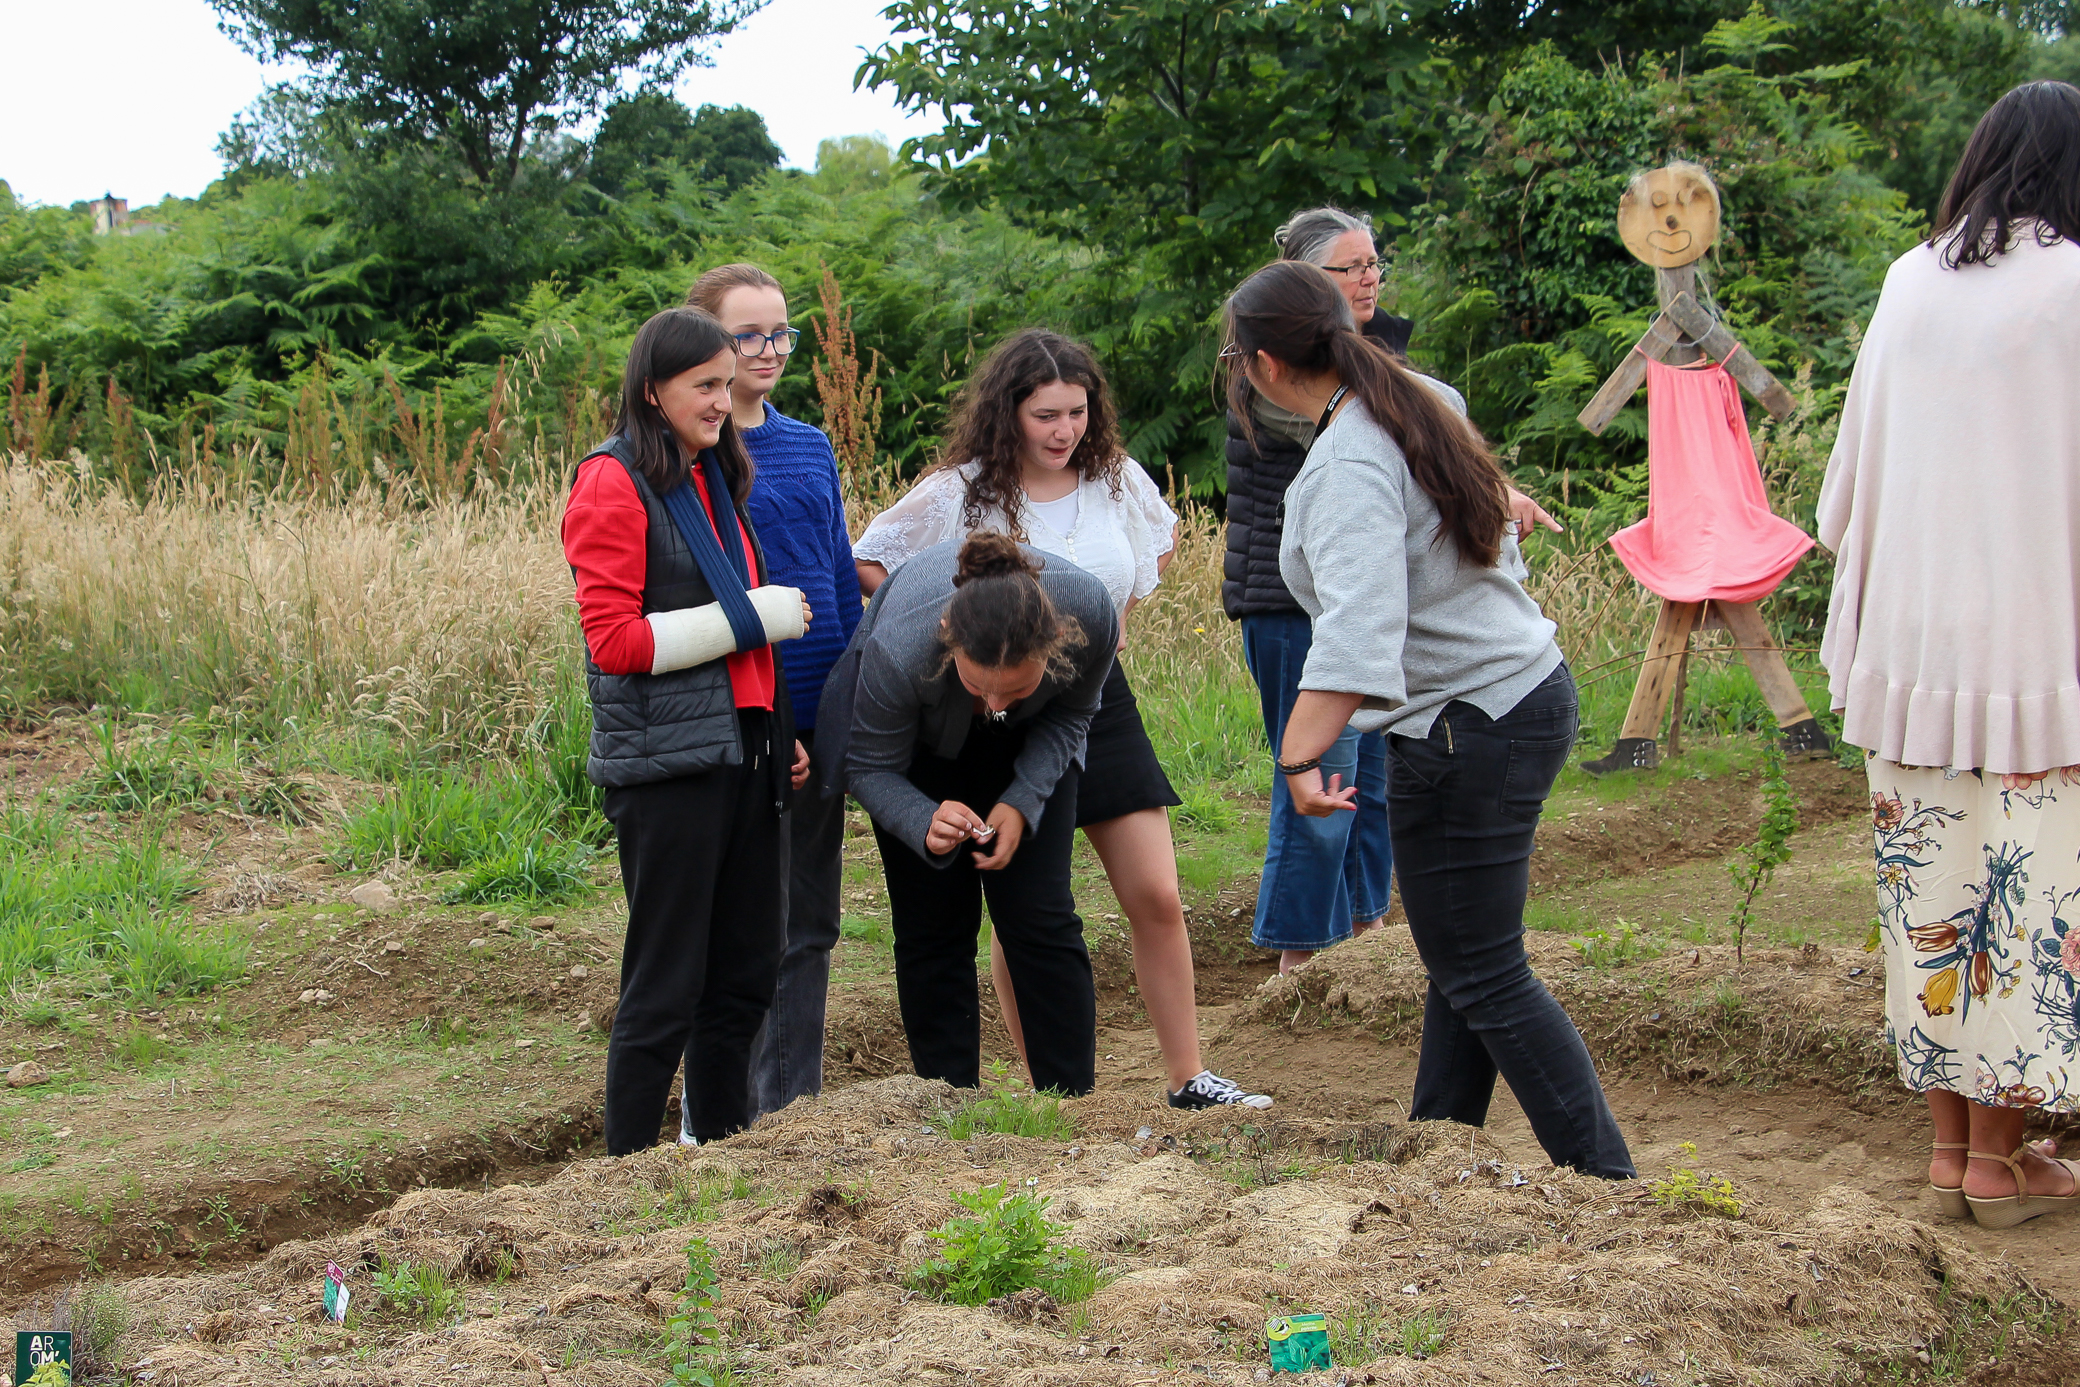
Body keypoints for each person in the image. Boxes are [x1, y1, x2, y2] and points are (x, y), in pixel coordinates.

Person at [1222, 259, 1633, 1179]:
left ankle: (1610, 1182)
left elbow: (1362, 631)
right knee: (1464, 952)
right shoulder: (1416, 396)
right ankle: (1439, 1144)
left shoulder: (1349, 462)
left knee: (1483, 968)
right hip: (1512, 694)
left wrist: (1296, 758)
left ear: (1262, 365)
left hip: (1469, 722)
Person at [855, 329, 1271, 1110]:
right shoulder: (926, 589)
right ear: (1008, 413)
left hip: (1075, 690)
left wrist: (1023, 791)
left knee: (1074, 902)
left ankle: (1112, 1091)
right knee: (968, 915)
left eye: (1077, 412)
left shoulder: (1102, 543)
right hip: (943, 713)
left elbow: (1153, 557)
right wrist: (925, 805)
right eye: (1046, 413)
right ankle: (976, 1102)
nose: (1064, 429)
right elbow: (867, 750)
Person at [1818, 80, 2080, 1229]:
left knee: (1930, 891)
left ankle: (1948, 1154)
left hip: (1913, 649)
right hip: (2037, 645)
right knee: (2026, 899)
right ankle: (2001, 1162)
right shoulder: (2074, 283)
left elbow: (1847, 490)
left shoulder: (1905, 280)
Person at [1225, 207, 1561, 972]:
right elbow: (1364, 591)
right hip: (1302, 614)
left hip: (1442, 676)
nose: (1371, 277)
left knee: (1359, 792)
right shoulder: (1330, 398)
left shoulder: (1385, 391)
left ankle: (1366, 942)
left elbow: (1371, 607)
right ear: (1317, 294)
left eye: (1376, 262)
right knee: (1330, 789)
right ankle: (1304, 955)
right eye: (1352, 268)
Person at [562, 307, 814, 1155]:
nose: (721, 399)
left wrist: (778, 731)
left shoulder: (711, 471)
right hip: (668, 768)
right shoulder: (610, 480)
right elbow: (618, 642)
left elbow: (737, 639)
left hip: (745, 752)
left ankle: (721, 1153)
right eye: (703, 385)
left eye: (724, 381)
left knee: (744, 977)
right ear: (651, 391)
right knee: (665, 984)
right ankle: (625, 1174)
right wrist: (759, 617)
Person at [820, 531, 1116, 1095]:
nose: (996, 708)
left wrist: (1023, 797)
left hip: (1033, 742)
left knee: (1040, 917)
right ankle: (951, 1101)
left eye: (1015, 689)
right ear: (948, 641)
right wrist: (919, 818)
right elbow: (866, 763)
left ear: (1054, 644)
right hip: (916, 752)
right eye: (982, 689)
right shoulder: (902, 644)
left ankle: (1071, 1103)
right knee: (932, 925)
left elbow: (1074, 717)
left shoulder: (1090, 612)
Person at [676, 263, 864, 1135]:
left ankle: (794, 1115)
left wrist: (845, 708)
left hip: (817, 710)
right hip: (735, 718)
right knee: (737, 928)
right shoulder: (690, 454)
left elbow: (834, 579)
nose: (768, 351)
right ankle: (722, 1117)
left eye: (780, 333)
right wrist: (759, 720)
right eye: (747, 335)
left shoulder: (808, 445)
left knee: (810, 922)